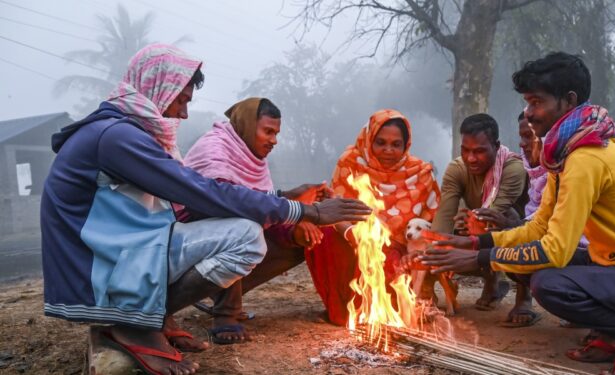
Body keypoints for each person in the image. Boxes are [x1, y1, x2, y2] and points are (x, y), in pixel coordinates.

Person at [40, 44, 370, 375]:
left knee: (255, 224)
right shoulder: (116, 136)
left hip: (122, 249)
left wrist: (285, 199)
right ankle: (133, 326)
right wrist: (307, 212)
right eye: (181, 100)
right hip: (97, 266)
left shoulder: (122, 131)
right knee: (245, 235)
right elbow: (204, 193)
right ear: (157, 89)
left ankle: (150, 318)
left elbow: (210, 194)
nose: (183, 114)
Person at [420, 52, 615, 375]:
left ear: (568, 100)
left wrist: (481, 259)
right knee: (528, 266)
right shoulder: (567, 151)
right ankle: (609, 332)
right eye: (527, 103)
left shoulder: (587, 158)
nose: (529, 113)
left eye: (536, 102)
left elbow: (555, 250)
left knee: (549, 284)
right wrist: (478, 244)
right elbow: (539, 227)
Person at [174, 97, 333, 346]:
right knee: (239, 221)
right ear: (247, 125)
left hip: (232, 231)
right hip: (188, 238)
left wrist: (295, 226)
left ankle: (217, 288)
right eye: (268, 131)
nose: (274, 140)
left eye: (276, 133)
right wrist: (294, 206)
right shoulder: (214, 148)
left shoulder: (251, 156)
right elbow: (230, 203)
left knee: (303, 236)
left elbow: (259, 203)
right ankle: (225, 313)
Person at [305, 109, 441, 326]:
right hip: (352, 239)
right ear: (369, 139)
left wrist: (413, 254)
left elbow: (433, 225)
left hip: (401, 249)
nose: (388, 150)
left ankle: (398, 304)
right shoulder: (350, 163)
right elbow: (334, 210)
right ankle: (343, 310)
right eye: (381, 142)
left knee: (394, 276)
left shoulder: (421, 173)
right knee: (323, 233)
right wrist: (352, 234)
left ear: (406, 145)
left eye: (396, 144)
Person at [430, 114, 532, 323]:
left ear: (496, 146)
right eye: (465, 150)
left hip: (519, 231)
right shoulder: (456, 169)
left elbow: (494, 213)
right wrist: (434, 249)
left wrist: (469, 221)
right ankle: (492, 281)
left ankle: (524, 297)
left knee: (504, 220)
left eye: (479, 151)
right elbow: (444, 216)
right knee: (439, 236)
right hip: (480, 226)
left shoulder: (513, 168)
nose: (471, 158)